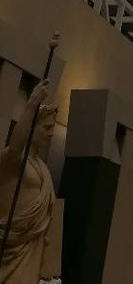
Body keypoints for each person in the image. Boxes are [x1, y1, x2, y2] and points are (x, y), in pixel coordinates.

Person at [0, 79, 58, 284]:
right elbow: (15, 146)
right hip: (11, 248)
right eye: (47, 128)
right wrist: (33, 103)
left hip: (32, 247)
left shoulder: (43, 168)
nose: (51, 134)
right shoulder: (12, 160)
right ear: (31, 127)